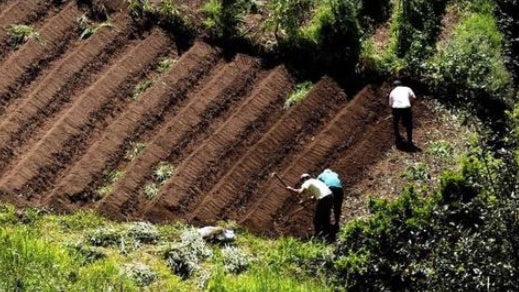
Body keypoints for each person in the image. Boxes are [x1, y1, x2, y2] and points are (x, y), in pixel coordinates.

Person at [286, 173, 333, 240]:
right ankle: (330, 234)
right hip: (330, 196)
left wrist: (290, 189)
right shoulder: (316, 181)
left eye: (302, 181)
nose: (302, 182)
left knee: (317, 220)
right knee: (325, 217)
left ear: (303, 179)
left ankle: (319, 237)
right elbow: (314, 198)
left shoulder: (307, 182)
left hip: (323, 199)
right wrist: (304, 201)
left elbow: (300, 192)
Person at [389, 80, 416, 146]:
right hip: (406, 107)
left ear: (394, 86)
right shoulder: (407, 88)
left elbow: (390, 104)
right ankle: (409, 140)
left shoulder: (392, 92)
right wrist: (411, 105)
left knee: (396, 123)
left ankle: (398, 137)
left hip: (396, 108)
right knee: (408, 124)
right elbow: (414, 97)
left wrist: (394, 112)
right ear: (401, 85)